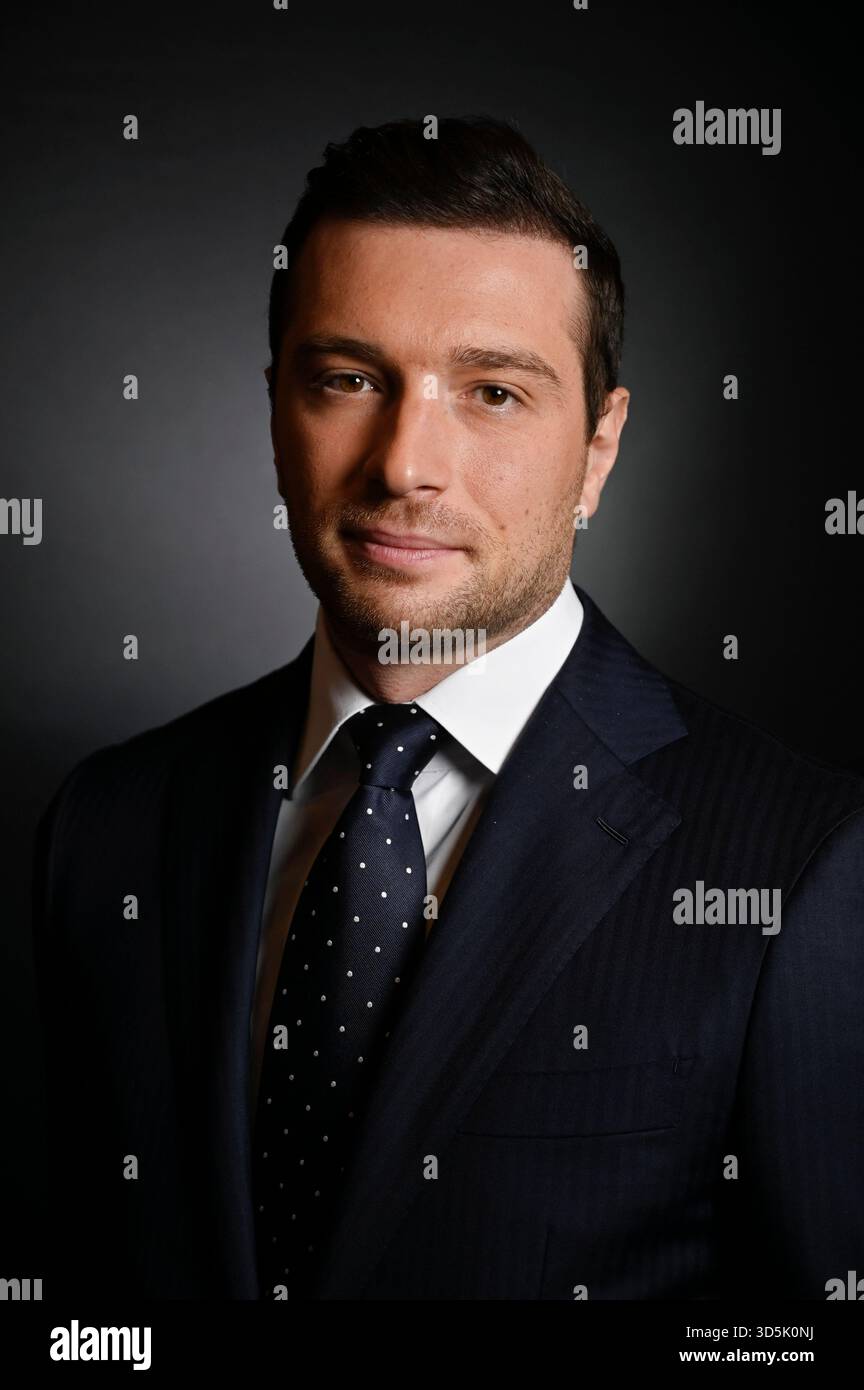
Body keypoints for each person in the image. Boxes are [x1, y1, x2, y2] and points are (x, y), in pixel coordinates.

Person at [32, 117, 864, 1301]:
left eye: (493, 392)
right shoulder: (105, 826)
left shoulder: (805, 863)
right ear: (277, 411)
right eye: (350, 379)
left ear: (599, 450)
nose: (406, 463)